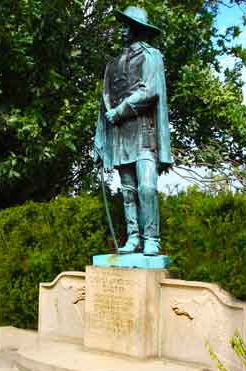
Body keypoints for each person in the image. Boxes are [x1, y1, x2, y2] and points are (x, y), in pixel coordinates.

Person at [94, 6, 171, 256]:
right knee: (127, 191)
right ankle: (133, 237)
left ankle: (152, 238)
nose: (122, 30)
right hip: (120, 137)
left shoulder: (152, 56)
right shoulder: (112, 65)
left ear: (138, 30)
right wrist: (101, 136)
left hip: (145, 134)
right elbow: (105, 99)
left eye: (127, 26)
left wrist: (120, 111)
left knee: (147, 187)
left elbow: (150, 91)